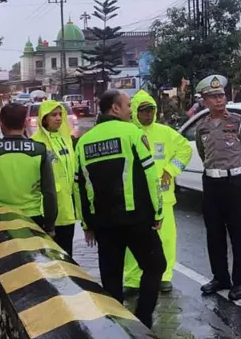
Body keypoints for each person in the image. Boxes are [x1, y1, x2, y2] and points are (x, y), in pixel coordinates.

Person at [74, 89, 166, 328]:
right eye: (127, 105)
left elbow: (80, 186)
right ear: (114, 109)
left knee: (111, 279)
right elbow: (150, 175)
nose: (130, 110)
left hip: (103, 224)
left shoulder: (84, 141)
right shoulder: (132, 133)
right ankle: (143, 319)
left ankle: (116, 328)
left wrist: (86, 224)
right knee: (156, 266)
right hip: (136, 219)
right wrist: (158, 212)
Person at [193, 75, 241, 301]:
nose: (219, 100)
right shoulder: (201, 127)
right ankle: (220, 277)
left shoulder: (239, 122)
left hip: (234, 184)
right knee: (214, 234)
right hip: (211, 184)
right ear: (204, 101)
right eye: (213, 97)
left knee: (238, 235)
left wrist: (239, 174)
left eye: (221, 95)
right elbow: (204, 154)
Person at [123, 90, 193, 294]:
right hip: (136, 199)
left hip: (163, 198)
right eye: (144, 111)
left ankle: (164, 276)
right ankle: (133, 279)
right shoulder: (128, 134)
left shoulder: (165, 133)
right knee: (134, 241)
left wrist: (171, 171)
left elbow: (185, 150)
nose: (148, 115)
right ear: (135, 112)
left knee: (166, 239)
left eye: (151, 111)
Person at [0, 103, 57, 236]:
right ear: (25, 123)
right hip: (32, 221)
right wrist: (49, 226)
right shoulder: (39, 151)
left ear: (1, 124)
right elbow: (49, 193)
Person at [31, 100, 78, 256]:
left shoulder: (66, 139)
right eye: (53, 115)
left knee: (67, 255)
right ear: (44, 118)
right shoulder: (36, 142)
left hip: (67, 209)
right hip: (48, 210)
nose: (58, 118)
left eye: (60, 114)